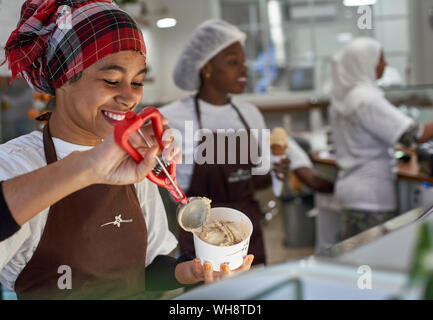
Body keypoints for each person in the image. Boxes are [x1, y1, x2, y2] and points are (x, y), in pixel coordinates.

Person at [0, 1, 252, 300]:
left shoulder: (135, 162)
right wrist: (89, 165)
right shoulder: (16, 164)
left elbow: (144, 269)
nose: (129, 97)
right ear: (63, 78)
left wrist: (189, 271)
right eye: (111, 80)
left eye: (137, 81)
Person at [329, 37, 433, 240]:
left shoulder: (342, 98)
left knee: (356, 258)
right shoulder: (366, 98)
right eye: (380, 58)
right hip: (371, 195)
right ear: (364, 62)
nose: (385, 64)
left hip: (351, 191)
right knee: (373, 260)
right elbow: (414, 136)